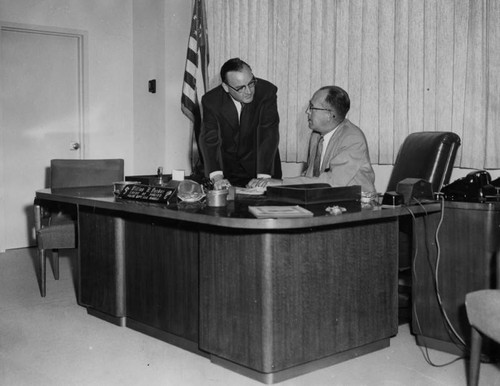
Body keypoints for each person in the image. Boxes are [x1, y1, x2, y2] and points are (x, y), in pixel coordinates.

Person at [248, 85, 376, 193]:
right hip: (325, 202)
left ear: (330, 115)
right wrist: (269, 184)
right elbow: (311, 177)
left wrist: (280, 183)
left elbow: (332, 183)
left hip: (358, 210)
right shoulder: (316, 135)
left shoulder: (352, 139)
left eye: (312, 107)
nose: (307, 112)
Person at [200, 58, 282, 188]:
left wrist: (263, 179)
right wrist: (217, 177)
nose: (249, 91)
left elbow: (268, 135)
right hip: (228, 171)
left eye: (251, 83)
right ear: (226, 87)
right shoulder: (211, 101)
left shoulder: (267, 92)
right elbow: (210, 139)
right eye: (240, 88)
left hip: (262, 167)